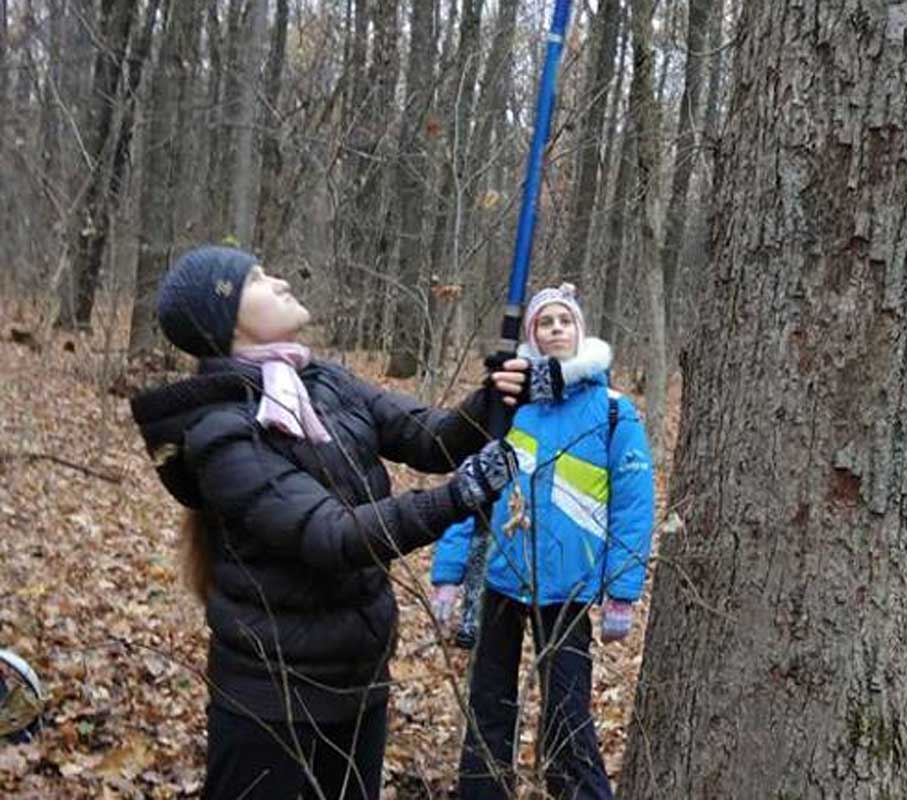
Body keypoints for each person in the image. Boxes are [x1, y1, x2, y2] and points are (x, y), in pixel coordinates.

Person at [130, 245, 549, 799]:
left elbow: (428, 437)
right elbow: (332, 534)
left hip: (359, 683)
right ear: (225, 320)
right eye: (256, 279)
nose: (279, 280)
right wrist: (457, 498)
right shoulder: (221, 433)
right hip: (271, 700)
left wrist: (492, 399)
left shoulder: (322, 382)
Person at [429, 284, 655, 800]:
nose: (555, 329)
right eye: (545, 322)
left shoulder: (615, 412)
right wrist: (448, 572)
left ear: (580, 331)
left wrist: (622, 590)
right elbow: (473, 491)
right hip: (502, 578)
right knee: (489, 705)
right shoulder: (509, 406)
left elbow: (634, 505)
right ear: (531, 335)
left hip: (569, 588)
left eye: (564, 321)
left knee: (566, 714)